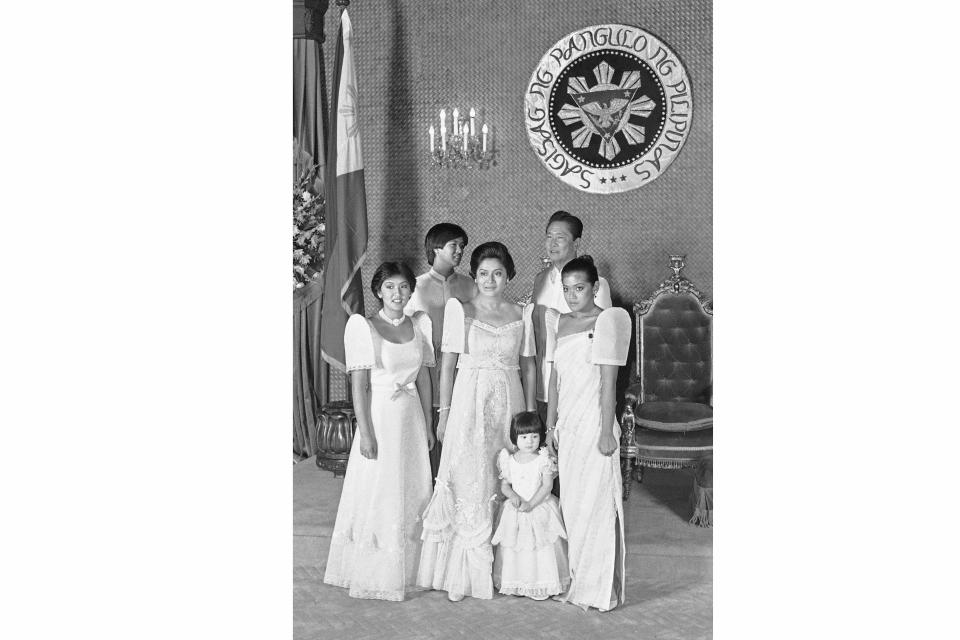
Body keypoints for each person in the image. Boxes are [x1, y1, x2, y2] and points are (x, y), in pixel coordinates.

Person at [417, 241, 537, 602]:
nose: (490, 279)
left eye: (497, 273)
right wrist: (444, 414)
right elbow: (448, 365)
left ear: (508, 276)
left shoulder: (522, 313)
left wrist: (530, 416)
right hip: (470, 401)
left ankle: (507, 568)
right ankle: (466, 572)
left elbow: (529, 365)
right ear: (475, 276)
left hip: (510, 401)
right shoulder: (460, 309)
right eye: (483, 273)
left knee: (506, 475)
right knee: (470, 475)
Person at [323, 262, 436, 602]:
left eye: (403, 287)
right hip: (381, 417)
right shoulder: (363, 327)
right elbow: (358, 386)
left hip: (412, 417)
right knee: (381, 487)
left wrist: (429, 424)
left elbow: (424, 378)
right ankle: (376, 569)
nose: (397, 294)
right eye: (389, 287)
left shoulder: (420, 325)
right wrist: (366, 432)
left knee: (413, 485)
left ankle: (415, 567)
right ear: (377, 291)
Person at [545, 255, 631, 612]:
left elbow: (609, 382)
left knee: (597, 503)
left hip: (596, 423)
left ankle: (600, 588)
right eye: (566, 289)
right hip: (569, 425)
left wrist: (607, 430)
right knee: (574, 503)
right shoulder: (561, 322)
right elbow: (555, 377)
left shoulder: (607, 321)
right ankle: (579, 578)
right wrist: (551, 425)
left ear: (596, 288)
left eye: (579, 288)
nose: (572, 295)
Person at [404, 223, 476, 482]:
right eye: (453, 245)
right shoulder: (414, 287)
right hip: (426, 372)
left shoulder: (471, 285)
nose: (459, 250)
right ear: (435, 247)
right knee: (429, 437)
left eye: (462, 246)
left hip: (464, 372)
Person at [530, 210, 613, 425]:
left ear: (577, 242)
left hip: (581, 389)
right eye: (549, 236)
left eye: (560, 237)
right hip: (543, 381)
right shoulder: (540, 280)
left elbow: (603, 346)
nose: (552, 243)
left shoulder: (598, 285)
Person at [491, 411, 569, 601]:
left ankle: (543, 582)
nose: (529, 441)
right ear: (515, 438)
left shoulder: (543, 459)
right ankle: (520, 581)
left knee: (542, 546)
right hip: (517, 508)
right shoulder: (509, 460)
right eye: (524, 437)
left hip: (539, 506)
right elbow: (505, 486)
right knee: (517, 547)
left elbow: (547, 485)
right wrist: (513, 497)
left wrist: (531, 504)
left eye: (534, 436)